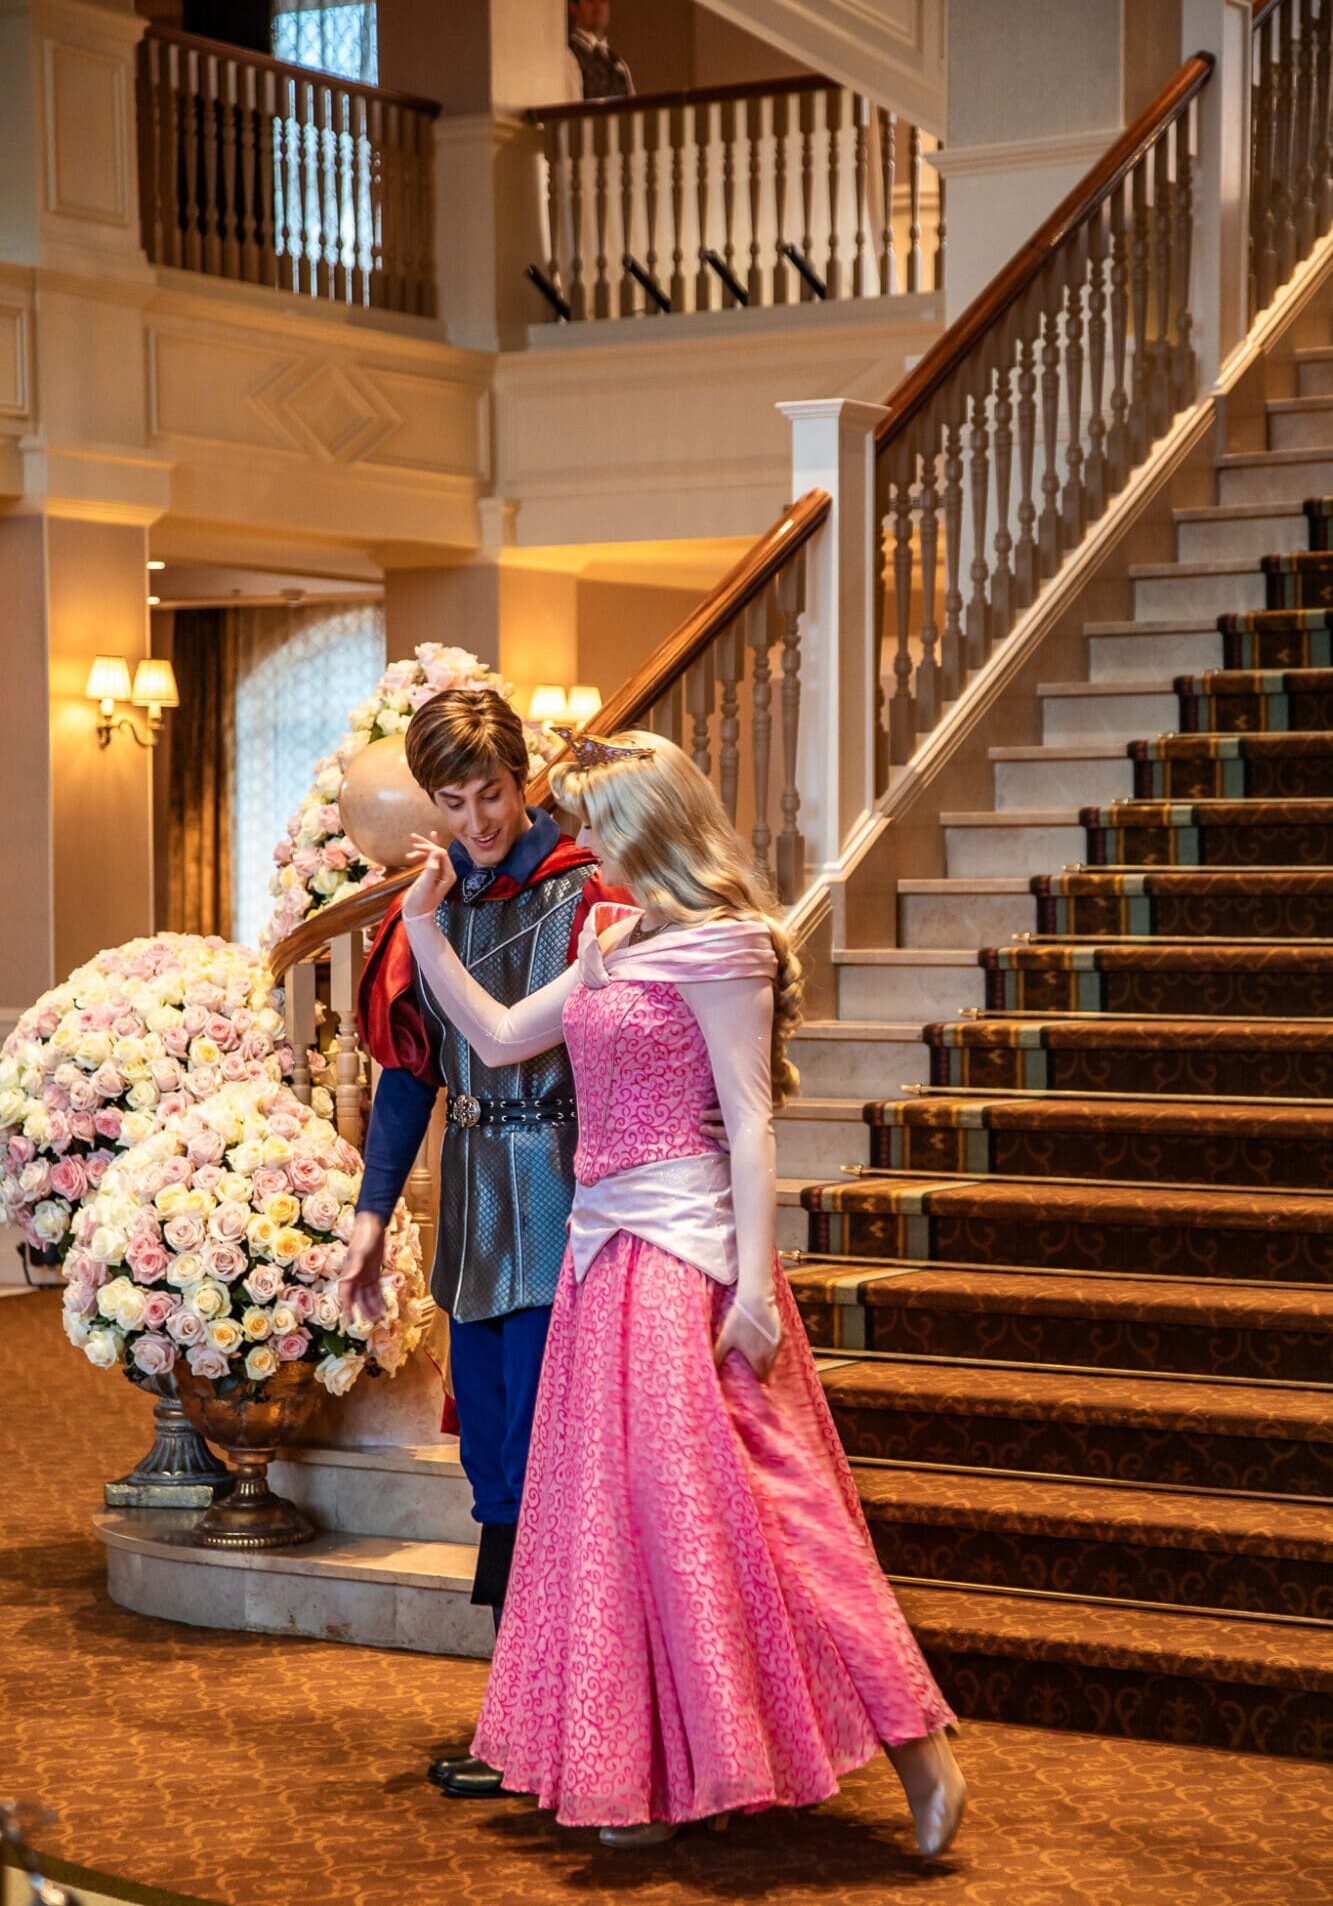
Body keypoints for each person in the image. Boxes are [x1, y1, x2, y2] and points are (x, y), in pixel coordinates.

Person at [385, 725, 968, 1856]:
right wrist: (421, 927)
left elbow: (749, 1122)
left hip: (688, 1252)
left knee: (764, 1515)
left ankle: (919, 1750)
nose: (578, 837)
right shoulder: (610, 933)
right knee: (615, 1527)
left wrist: (754, 1283)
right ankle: (638, 1772)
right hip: (599, 1251)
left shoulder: (727, 946)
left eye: (594, 819)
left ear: (644, 823)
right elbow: (503, 1040)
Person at [340, 687, 620, 1801]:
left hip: (570, 1187)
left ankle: (571, 1716)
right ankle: (516, 1714)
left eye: (490, 793)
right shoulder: (434, 901)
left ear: (523, 777)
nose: (476, 819)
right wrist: (372, 1215)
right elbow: (408, 1072)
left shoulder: (587, 888)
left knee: (565, 1462)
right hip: (474, 1201)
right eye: (451, 801)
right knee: (496, 1460)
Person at [566, 0, 633, 100]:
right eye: (590, 1)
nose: (598, 8)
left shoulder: (618, 64)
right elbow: (573, 111)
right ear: (573, 7)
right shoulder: (568, 56)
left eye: (603, 1)